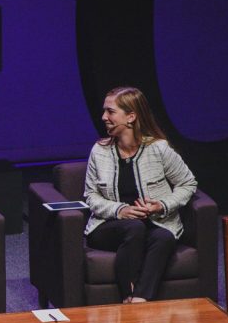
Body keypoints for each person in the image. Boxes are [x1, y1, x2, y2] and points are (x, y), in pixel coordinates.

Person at [84, 86, 197, 309]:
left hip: (155, 223)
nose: (103, 117)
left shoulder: (159, 149)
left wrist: (163, 205)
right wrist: (119, 210)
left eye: (110, 112)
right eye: (104, 112)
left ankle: (138, 301)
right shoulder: (99, 151)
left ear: (131, 117)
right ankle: (127, 293)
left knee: (164, 238)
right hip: (110, 225)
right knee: (133, 227)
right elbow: (90, 196)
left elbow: (188, 183)